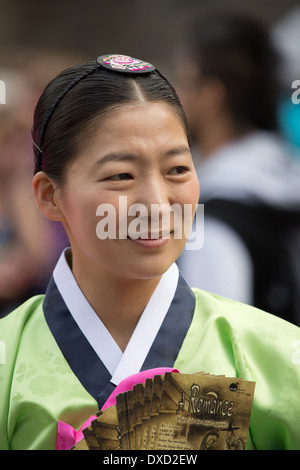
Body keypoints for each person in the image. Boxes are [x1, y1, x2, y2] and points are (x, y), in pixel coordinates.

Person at [0, 53, 299, 451]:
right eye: (121, 176)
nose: (157, 204)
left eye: (177, 169)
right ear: (50, 195)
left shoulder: (277, 355)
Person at [175, 14, 300, 326]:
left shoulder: (216, 217)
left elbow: (213, 355)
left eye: (184, 82)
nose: (174, 97)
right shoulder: (281, 183)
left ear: (212, 96)